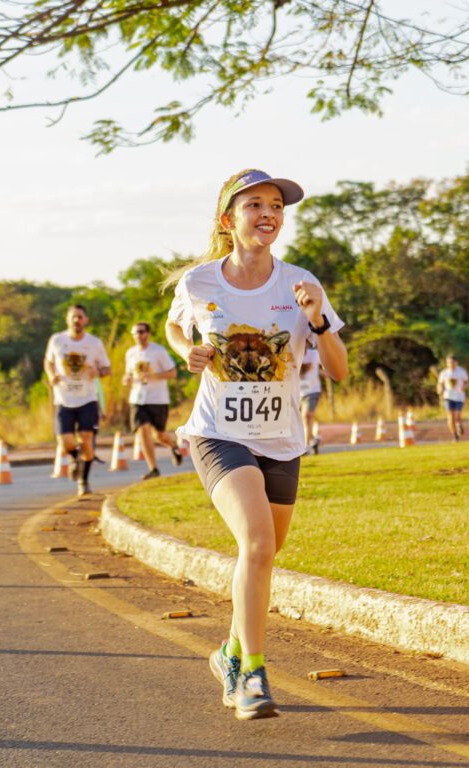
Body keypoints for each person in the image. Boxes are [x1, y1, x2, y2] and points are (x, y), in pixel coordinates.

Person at [164, 169, 348, 720]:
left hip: (283, 441)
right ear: (229, 219)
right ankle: (252, 674)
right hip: (218, 434)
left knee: (264, 555)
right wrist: (186, 352)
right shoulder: (200, 282)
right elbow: (177, 327)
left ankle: (228, 651)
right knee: (258, 545)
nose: (268, 213)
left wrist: (316, 320)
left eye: (276, 205)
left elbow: (338, 369)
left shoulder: (300, 284)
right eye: (255, 205)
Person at [44, 304, 111, 496]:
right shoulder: (57, 340)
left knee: (87, 441)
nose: (77, 320)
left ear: (86, 320)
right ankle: (75, 459)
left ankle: (83, 480)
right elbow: (48, 361)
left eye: (80, 317)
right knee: (65, 443)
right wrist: (51, 375)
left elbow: (107, 369)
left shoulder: (94, 343)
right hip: (63, 399)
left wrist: (96, 372)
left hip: (87, 400)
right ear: (67, 319)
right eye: (73, 317)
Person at [123, 321, 184, 480]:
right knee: (142, 430)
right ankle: (153, 468)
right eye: (136, 332)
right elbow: (129, 373)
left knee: (160, 435)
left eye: (142, 332)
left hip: (158, 398)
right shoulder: (130, 353)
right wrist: (127, 378)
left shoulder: (158, 351)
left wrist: (153, 376)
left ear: (148, 334)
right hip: (137, 398)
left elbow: (172, 373)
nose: (139, 335)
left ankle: (173, 446)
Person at [436, 353, 469, 441]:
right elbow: (439, 383)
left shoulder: (461, 371)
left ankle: (459, 425)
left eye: (452, 362)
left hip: (459, 396)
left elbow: (467, 382)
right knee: (450, 416)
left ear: (456, 363)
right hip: (448, 397)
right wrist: (439, 389)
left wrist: (464, 387)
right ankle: (455, 435)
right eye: (448, 362)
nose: (450, 364)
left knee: (457, 416)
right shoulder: (444, 373)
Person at [299, 341, 324, 455]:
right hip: (297, 393)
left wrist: (325, 371)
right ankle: (314, 440)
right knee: (301, 421)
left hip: (313, 390)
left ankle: (305, 446)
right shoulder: (292, 353)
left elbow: (326, 364)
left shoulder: (314, 354)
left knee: (307, 416)